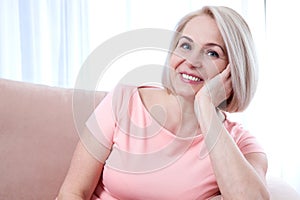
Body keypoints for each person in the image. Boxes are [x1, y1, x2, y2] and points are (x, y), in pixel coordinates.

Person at [57, 6, 269, 200]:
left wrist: (205, 106)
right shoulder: (123, 101)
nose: (192, 61)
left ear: (233, 71)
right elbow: (73, 191)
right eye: (185, 46)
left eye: (212, 53)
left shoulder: (241, 145)